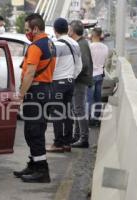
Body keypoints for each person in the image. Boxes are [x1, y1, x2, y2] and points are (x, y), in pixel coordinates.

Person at [13, 13, 56, 183]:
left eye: (27, 30)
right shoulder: (50, 43)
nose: (26, 33)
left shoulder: (36, 46)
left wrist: (20, 96)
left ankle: (41, 171)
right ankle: (34, 164)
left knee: (34, 132)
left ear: (35, 28)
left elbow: (30, 72)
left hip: (36, 92)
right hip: (46, 90)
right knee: (33, 131)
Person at [46, 18, 82, 153]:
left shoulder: (55, 44)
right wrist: (72, 77)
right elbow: (79, 65)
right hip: (70, 82)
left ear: (55, 30)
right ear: (67, 30)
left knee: (56, 113)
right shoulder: (75, 43)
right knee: (67, 113)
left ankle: (58, 143)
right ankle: (67, 143)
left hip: (58, 83)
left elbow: (52, 66)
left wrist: (51, 79)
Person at [68, 20, 93, 148]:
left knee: (79, 109)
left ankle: (84, 139)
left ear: (72, 30)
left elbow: (84, 64)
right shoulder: (79, 43)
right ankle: (77, 136)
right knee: (76, 109)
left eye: (69, 29)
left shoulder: (81, 44)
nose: (68, 30)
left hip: (80, 81)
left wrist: (72, 76)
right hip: (79, 80)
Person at [88, 27, 109, 126]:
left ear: (92, 35)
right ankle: (96, 119)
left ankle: (89, 119)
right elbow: (106, 62)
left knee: (89, 98)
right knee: (98, 98)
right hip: (100, 74)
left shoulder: (89, 47)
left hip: (91, 75)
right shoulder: (105, 47)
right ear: (100, 35)